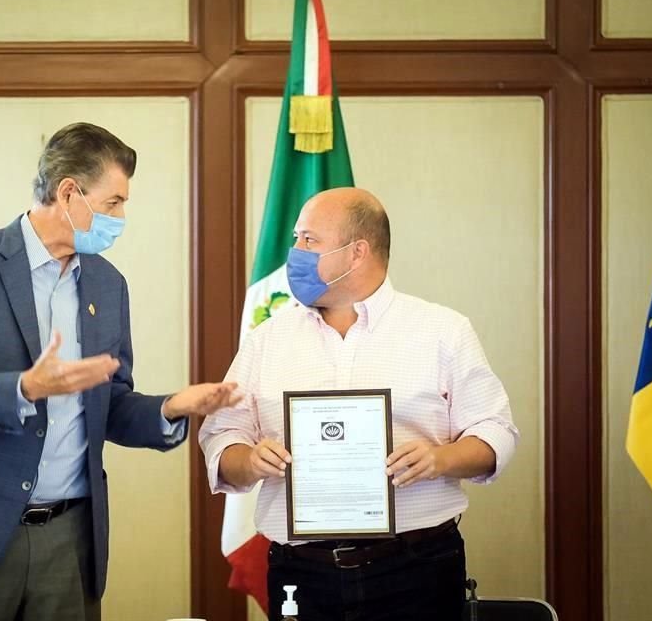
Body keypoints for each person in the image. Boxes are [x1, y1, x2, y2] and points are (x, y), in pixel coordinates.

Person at [0, 122, 238, 621]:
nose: (122, 217)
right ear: (68, 192)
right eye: (114, 203)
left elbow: (111, 403)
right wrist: (24, 387)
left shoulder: (107, 283)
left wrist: (170, 408)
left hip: (69, 537)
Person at [199, 188, 519, 621]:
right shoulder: (266, 341)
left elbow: (495, 432)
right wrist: (251, 460)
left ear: (357, 252)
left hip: (417, 568)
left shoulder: (442, 331)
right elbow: (222, 439)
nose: (294, 253)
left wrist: (440, 459)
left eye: (308, 240)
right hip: (301, 575)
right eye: (295, 239)